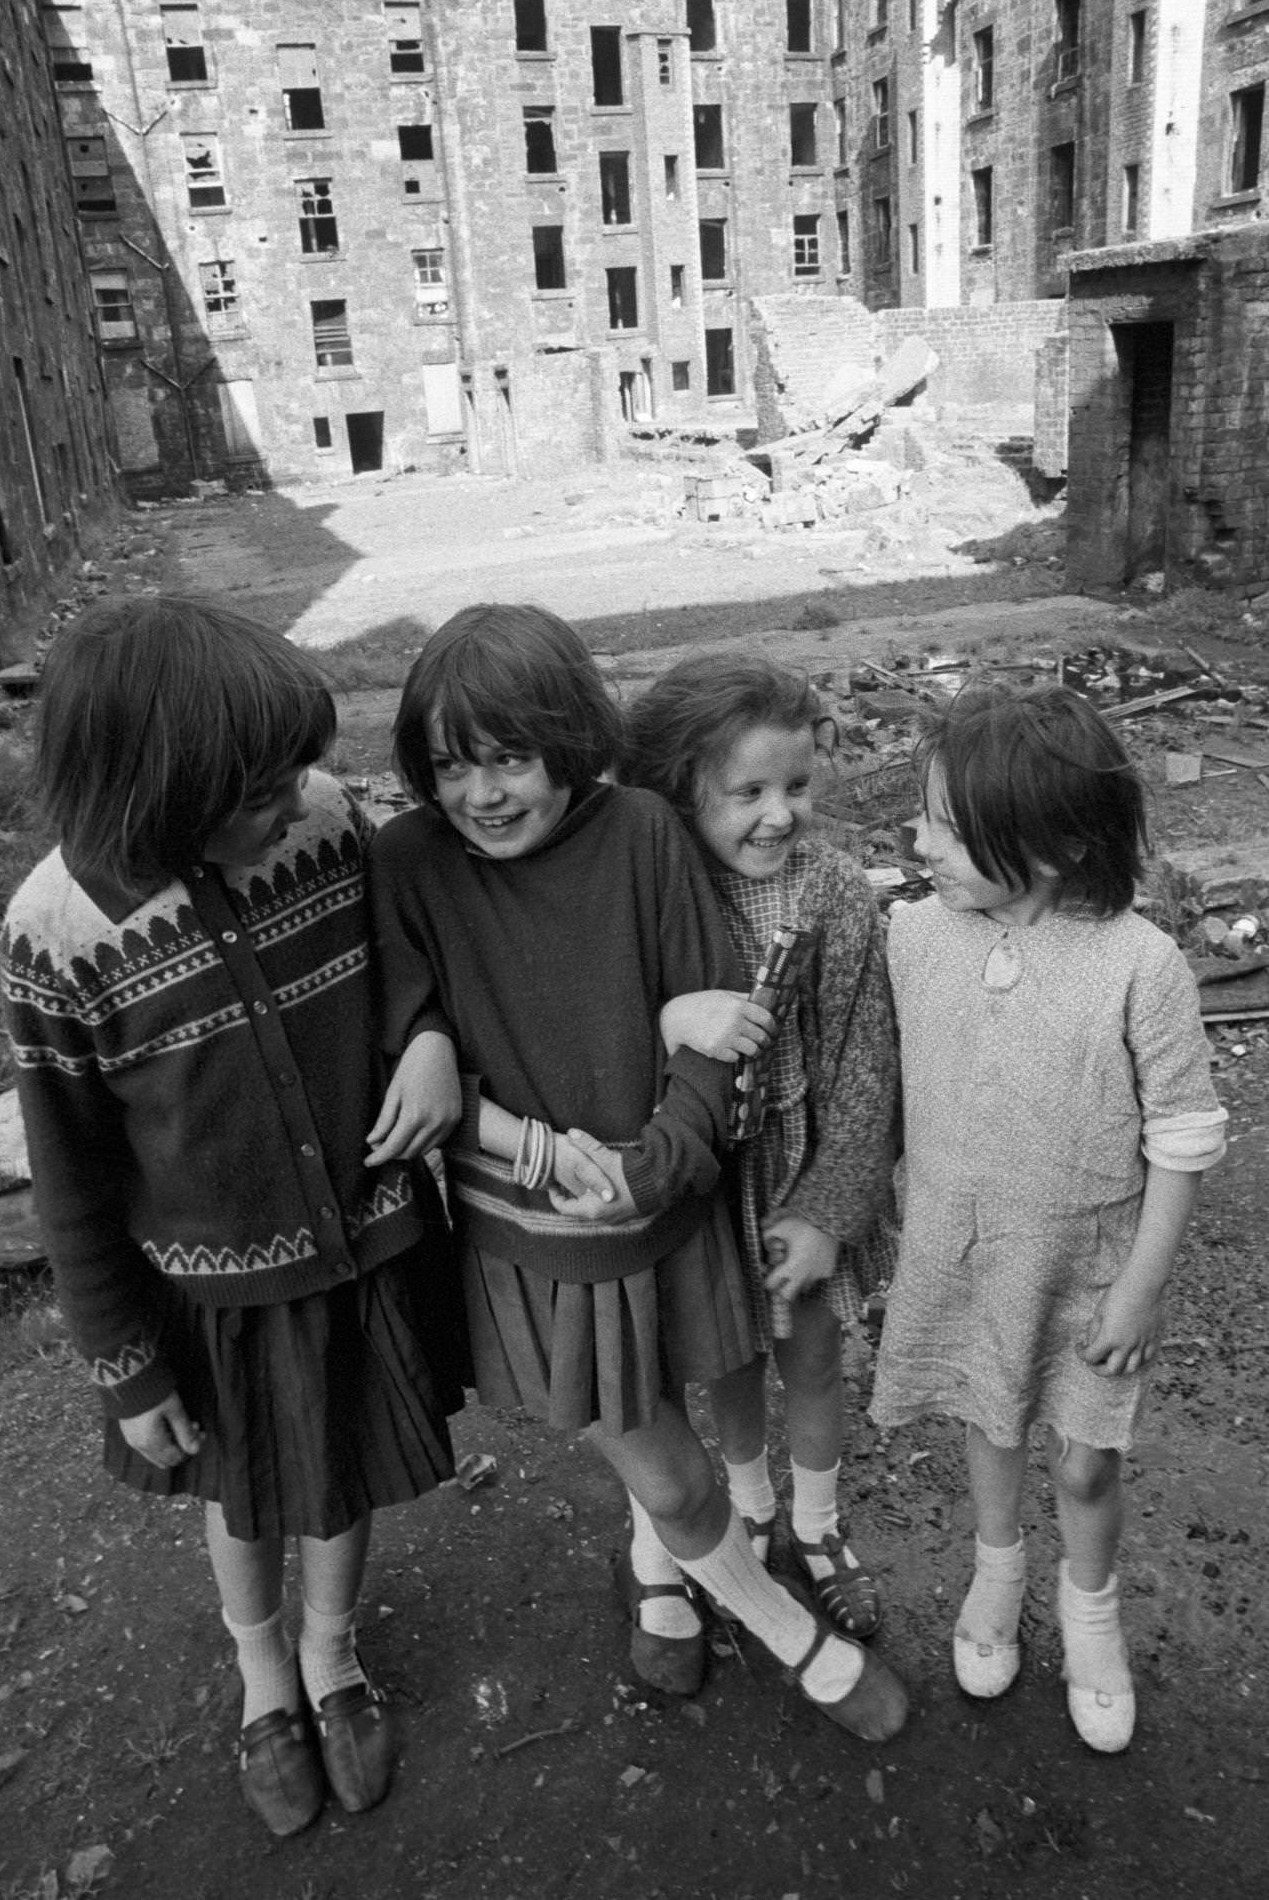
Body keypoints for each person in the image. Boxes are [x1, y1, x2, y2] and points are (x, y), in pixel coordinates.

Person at [368, 604, 907, 1744]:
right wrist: (430, 1044)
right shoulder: (407, 861)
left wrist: (653, 1166)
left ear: (569, 739)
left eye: (511, 756)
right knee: (665, 1465)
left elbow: (713, 1039)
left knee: (699, 1383)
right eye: (453, 765)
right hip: (538, 1244)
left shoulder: (644, 837)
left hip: (670, 1209)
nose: (484, 792)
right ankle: (793, 1637)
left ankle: (669, 1568)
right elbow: (396, 1027)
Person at [1, 596, 465, 1838]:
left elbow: (399, 959)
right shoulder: (55, 935)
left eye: (295, 768)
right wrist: (122, 1362)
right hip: (214, 1291)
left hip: (362, 1240)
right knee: (248, 1486)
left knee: (344, 1465)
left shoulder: (324, 828)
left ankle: (331, 1650)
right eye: (258, 784)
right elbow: (71, 1171)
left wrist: (422, 1037)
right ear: (153, 788)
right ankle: (262, 1671)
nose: (294, 794)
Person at [869, 683, 1226, 1752]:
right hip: (961, 1245)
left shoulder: (1139, 964)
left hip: (1087, 1265)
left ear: (1055, 843)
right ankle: (994, 1570)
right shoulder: (912, 934)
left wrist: (1141, 1285)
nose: (916, 836)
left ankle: (1091, 1608)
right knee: (989, 1414)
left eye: (944, 820)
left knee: (1080, 1456)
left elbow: (1181, 1135)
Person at [621, 653, 900, 1653]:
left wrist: (829, 1207)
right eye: (745, 792)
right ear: (680, 792)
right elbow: (612, 1033)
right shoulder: (656, 889)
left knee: (814, 1353)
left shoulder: (834, 892)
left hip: (799, 1168)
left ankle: (819, 1526)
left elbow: (866, 1065)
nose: (777, 813)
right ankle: (748, 1504)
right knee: (727, 1355)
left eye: (794, 786)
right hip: (705, 1178)